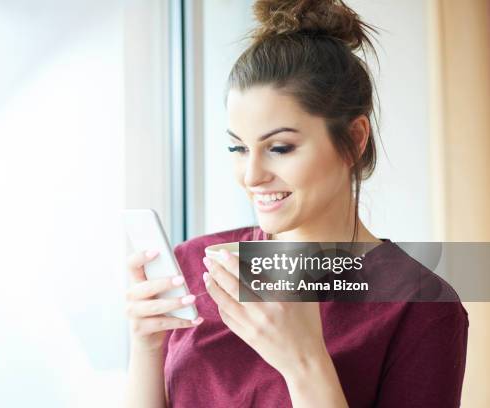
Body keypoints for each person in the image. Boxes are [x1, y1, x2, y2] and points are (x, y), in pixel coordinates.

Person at [124, 0, 468, 406]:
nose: (251, 175)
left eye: (281, 147)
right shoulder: (194, 265)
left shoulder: (420, 308)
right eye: (237, 147)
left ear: (355, 139)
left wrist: (304, 362)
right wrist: (146, 348)